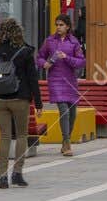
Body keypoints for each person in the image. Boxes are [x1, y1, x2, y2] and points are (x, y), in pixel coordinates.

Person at [0, 17, 42, 188]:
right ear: (19, 33)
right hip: (20, 98)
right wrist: (39, 102)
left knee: (4, 136)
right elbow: (33, 79)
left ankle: (2, 177)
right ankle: (17, 173)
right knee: (21, 135)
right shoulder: (25, 52)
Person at [37, 13, 86, 157]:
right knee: (63, 110)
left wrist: (67, 58)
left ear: (68, 27)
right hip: (55, 80)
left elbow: (81, 61)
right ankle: (67, 141)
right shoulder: (50, 41)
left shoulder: (74, 42)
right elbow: (39, 57)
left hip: (70, 80)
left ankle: (66, 140)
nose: (58, 27)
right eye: (57, 25)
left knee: (72, 112)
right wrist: (44, 64)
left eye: (61, 25)